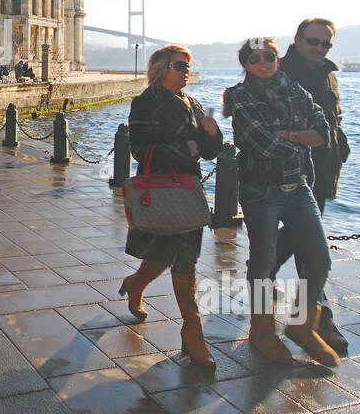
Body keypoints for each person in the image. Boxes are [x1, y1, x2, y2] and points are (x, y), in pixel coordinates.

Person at [223, 38, 338, 367]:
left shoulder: (296, 90)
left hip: (299, 186)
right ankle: (261, 330)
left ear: (276, 58)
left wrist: (287, 134)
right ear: (245, 63)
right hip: (261, 190)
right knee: (263, 263)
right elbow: (263, 145)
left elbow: (323, 132)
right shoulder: (242, 97)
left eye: (269, 56)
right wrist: (298, 138)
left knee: (319, 257)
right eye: (254, 57)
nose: (263, 61)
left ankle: (302, 326)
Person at [118, 45, 223, 370]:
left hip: (188, 192)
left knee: (178, 259)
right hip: (161, 191)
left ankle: (139, 287)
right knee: (174, 258)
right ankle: (193, 331)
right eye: (180, 64)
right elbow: (140, 149)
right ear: (162, 68)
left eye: (188, 65)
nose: (186, 70)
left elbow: (208, 153)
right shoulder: (146, 102)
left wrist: (211, 134)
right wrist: (185, 147)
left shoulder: (193, 104)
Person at [276, 18, 351, 353]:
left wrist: (341, 146)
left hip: (324, 168)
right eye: (313, 41)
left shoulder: (327, 72)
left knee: (291, 241)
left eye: (326, 44)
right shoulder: (279, 72)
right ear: (298, 38)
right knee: (314, 248)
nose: (319, 49)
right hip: (292, 172)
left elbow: (333, 117)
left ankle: (260, 275)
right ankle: (317, 317)